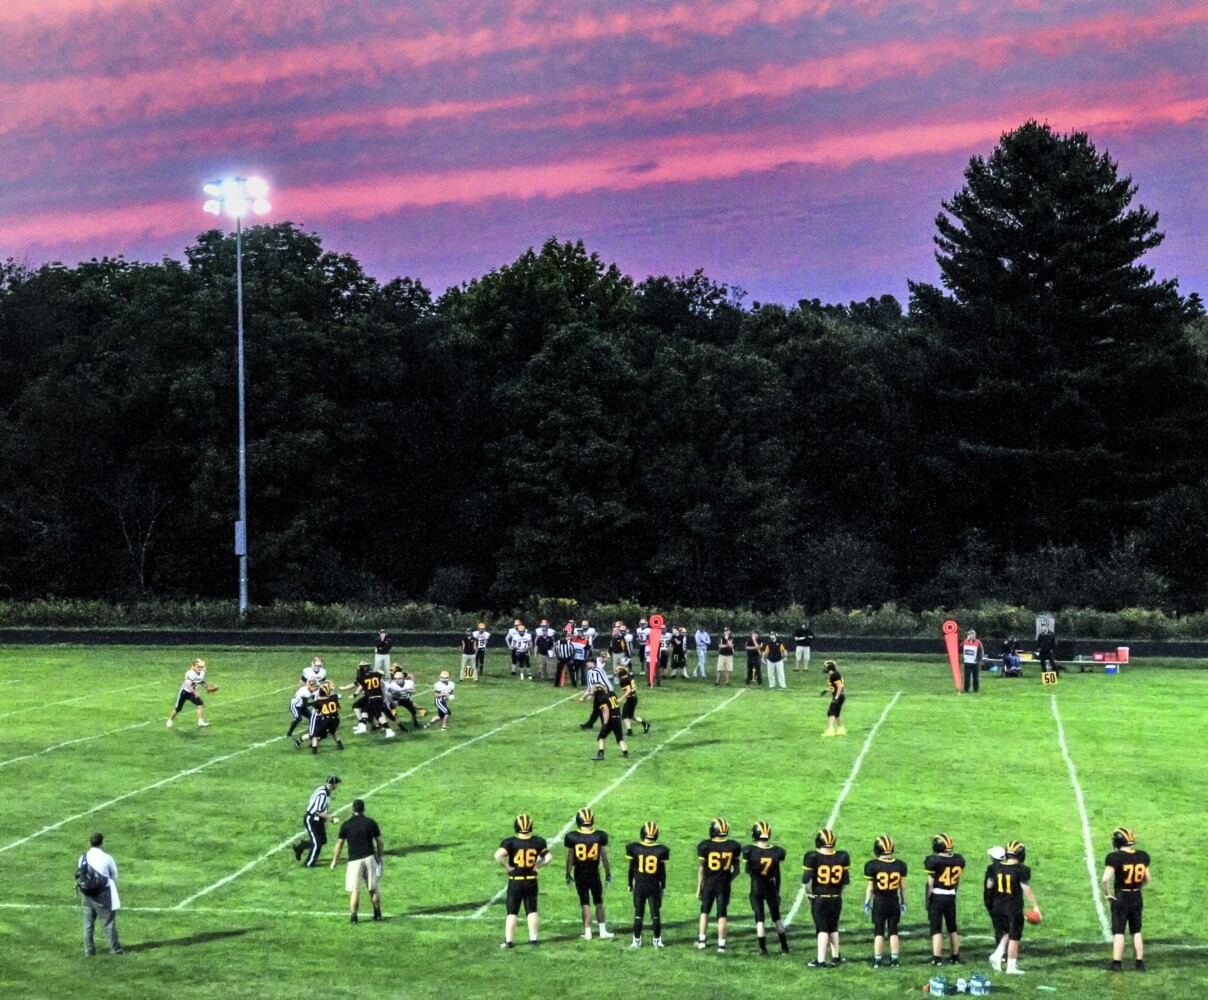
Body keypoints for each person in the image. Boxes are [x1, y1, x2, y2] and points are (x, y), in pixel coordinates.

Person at [494, 813, 552, 948]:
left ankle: (509, 941)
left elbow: (498, 855)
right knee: (532, 910)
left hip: (516, 880)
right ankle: (533, 939)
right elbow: (548, 858)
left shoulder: (510, 842)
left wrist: (508, 867)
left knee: (512, 911)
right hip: (531, 880)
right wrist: (538, 865)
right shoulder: (538, 841)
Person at [985, 840, 1040, 975]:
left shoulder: (994, 868)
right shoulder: (1022, 870)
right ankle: (1011, 966)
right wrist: (1035, 906)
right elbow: (1026, 888)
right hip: (1013, 907)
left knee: (1007, 933)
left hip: (997, 905)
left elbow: (989, 886)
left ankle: (997, 955)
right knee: (1015, 937)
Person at [1102, 826, 1150, 972]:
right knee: (1136, 931)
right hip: (1136, 895)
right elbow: (1147, 878)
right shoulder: (1142, 856)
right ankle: (1140, 962)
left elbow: (1105, 879)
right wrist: (1138, 888)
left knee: (1119, 931)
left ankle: (1117, 963)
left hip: (1121, 896)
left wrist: (1107, 893)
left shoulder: (1114, 858)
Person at [802, 827, 851, 967]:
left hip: (820, 898)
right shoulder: (842, 856)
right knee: (833, 927)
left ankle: (821, 960)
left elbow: (806, 880)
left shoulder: (812, 857)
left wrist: (808, 893)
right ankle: (836, 957)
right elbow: (845, 881)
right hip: (836, 897)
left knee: (822, 928)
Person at [564, 807, 614, 940]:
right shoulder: (599, 836)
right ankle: (603, 931)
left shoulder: (572, 837)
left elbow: (570, 858)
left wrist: (568, 873)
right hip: (594, 872)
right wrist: (608, 872)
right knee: (598, 901)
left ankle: (588, 932)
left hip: (580, 872)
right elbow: (604, 856)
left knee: (585, 902)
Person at [330, 798, 384, 923]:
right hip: (370, 858)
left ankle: (354, 917)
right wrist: (380, 856)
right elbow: (380, 841)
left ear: (352, 809)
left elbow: (339, 845)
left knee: (355, 890)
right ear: (363, 809)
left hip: (354, 861)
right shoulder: (370, 822)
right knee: (373, 889)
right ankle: (378, 914)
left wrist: (334, 861)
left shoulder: (346, 825)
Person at [743, 820, 789, 954]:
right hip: (771, 886)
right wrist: (778, 890)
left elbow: (747, 870)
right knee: (777, 918)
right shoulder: (776, 851)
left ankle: (763, 949)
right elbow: (777, 872)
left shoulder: (750, 850)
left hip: (757, 886)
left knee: (759, 919)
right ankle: (784, 946)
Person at [696, 817, 742, 952]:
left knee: (704, 912)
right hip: (723, 884)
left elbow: (701, 869)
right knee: (722, 914)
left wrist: (699, 888)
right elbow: (737, 870)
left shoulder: (705, 846)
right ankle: (721, 945)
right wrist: (728, 879)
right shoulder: (733, 846)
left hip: (709, 883)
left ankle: (702, 941)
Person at [863, 835, 907, 968]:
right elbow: (903, 887)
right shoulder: (900, 865)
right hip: (894, 901)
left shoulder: (872, 865)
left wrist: (867, 902)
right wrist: (904, 902)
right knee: (894, 930)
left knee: (879, 931)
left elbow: (870, 888)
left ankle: (877, 960)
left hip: (879, 902)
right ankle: (894, 960)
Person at [924, 832, 966, 966]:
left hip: (937, 895)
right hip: (951, 894)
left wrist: (927, 899)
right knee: (952, 927)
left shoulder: (933, 861)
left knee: (936, 928)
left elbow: (930, 884)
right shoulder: (958, 860)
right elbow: (957, 881)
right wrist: (953, 892)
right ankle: (955, 956)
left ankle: (937, 958)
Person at [79, 832, 123, 956]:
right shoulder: (107, 858)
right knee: (108, 923)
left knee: (88, 924)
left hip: (87, 894)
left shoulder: (82, 857)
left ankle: (89, 951)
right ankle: (115, 949)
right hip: (102, 895)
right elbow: (115, 876)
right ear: (102, 843)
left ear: (90, 842)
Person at [627, 821, 669, 948]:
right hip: (654, 886)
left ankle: (637, 941)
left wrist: (630, 884)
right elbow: (662, 872)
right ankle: (657, 941)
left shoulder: (634, 848)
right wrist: (663, 887)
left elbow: (631, 869)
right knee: (655, 915)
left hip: (640, 886)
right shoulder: (661, 850)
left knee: (638, 914)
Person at [293, 775, 341, 867]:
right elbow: (319, 812)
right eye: (336, 784)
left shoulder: (324, 790)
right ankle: (309, 863)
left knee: (322, 840)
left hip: (318, 820)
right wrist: (331, 819)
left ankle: (300, 847)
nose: (337, 786)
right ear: (333, 785)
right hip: (312, 819)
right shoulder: (323, 795)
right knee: (317, 844)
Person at [298, 680, 344, 753]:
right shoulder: (333, 697)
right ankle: (340, 745)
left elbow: (318, 709)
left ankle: (313, 748)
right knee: (329, 732)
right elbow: (339, 700)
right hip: (329, 718)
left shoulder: (319, 699)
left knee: (316, 734)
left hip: (324, 717)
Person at [167, 657, 213, 728]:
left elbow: (201, 681)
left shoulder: (202, 672)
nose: (200, 668)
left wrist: (207, 687)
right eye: (199, 666)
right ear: (194, 666)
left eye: (201, 666)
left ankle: (200, 721)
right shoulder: (190, 673)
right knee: (178, 709)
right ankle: (170, 720)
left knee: (200, 703)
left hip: (191, 693)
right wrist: (195, 692)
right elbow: (188, 685)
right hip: (184, 692)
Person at [591, 683, 629, 761]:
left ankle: (601, 754)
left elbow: (606, 710)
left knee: (601, 737)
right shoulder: (612, 694)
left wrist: (605, 723)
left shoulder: (602, 698)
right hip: (618, 717)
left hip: (611, 719)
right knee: (619, 737)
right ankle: (625, 753)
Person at [577, 655, 613, 730]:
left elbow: (594, 683)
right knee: (596, 709)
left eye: (588, 662)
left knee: (601, 708)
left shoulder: (593, 672)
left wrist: (590, 694)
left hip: (603, 692)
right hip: (607, 691)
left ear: (592, 663)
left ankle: (605, 725)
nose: (587, 663)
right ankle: (590, 724)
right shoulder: (599, 669)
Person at [616, 664, 651, 736]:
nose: (617, 673)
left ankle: (630, 732)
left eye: (618, 671)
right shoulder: (629, 677)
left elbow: (628, 690)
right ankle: (645, 724)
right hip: (634, 697)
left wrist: (621, 698)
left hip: (631, 698)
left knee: (624, 716)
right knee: (630, 716)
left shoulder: (623, 680)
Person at [822, 660, 846, 736]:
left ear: (829, 667)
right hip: (839, 696)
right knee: (836, 714)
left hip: (838, 696)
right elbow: (835, 687)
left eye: (825, 666)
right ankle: (841, 729)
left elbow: (840, 687)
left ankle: (831, 729)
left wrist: (836, 697)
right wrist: (827, 690)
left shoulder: (834, 675)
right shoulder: (834, 675)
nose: (824, 668)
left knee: (831, 712)